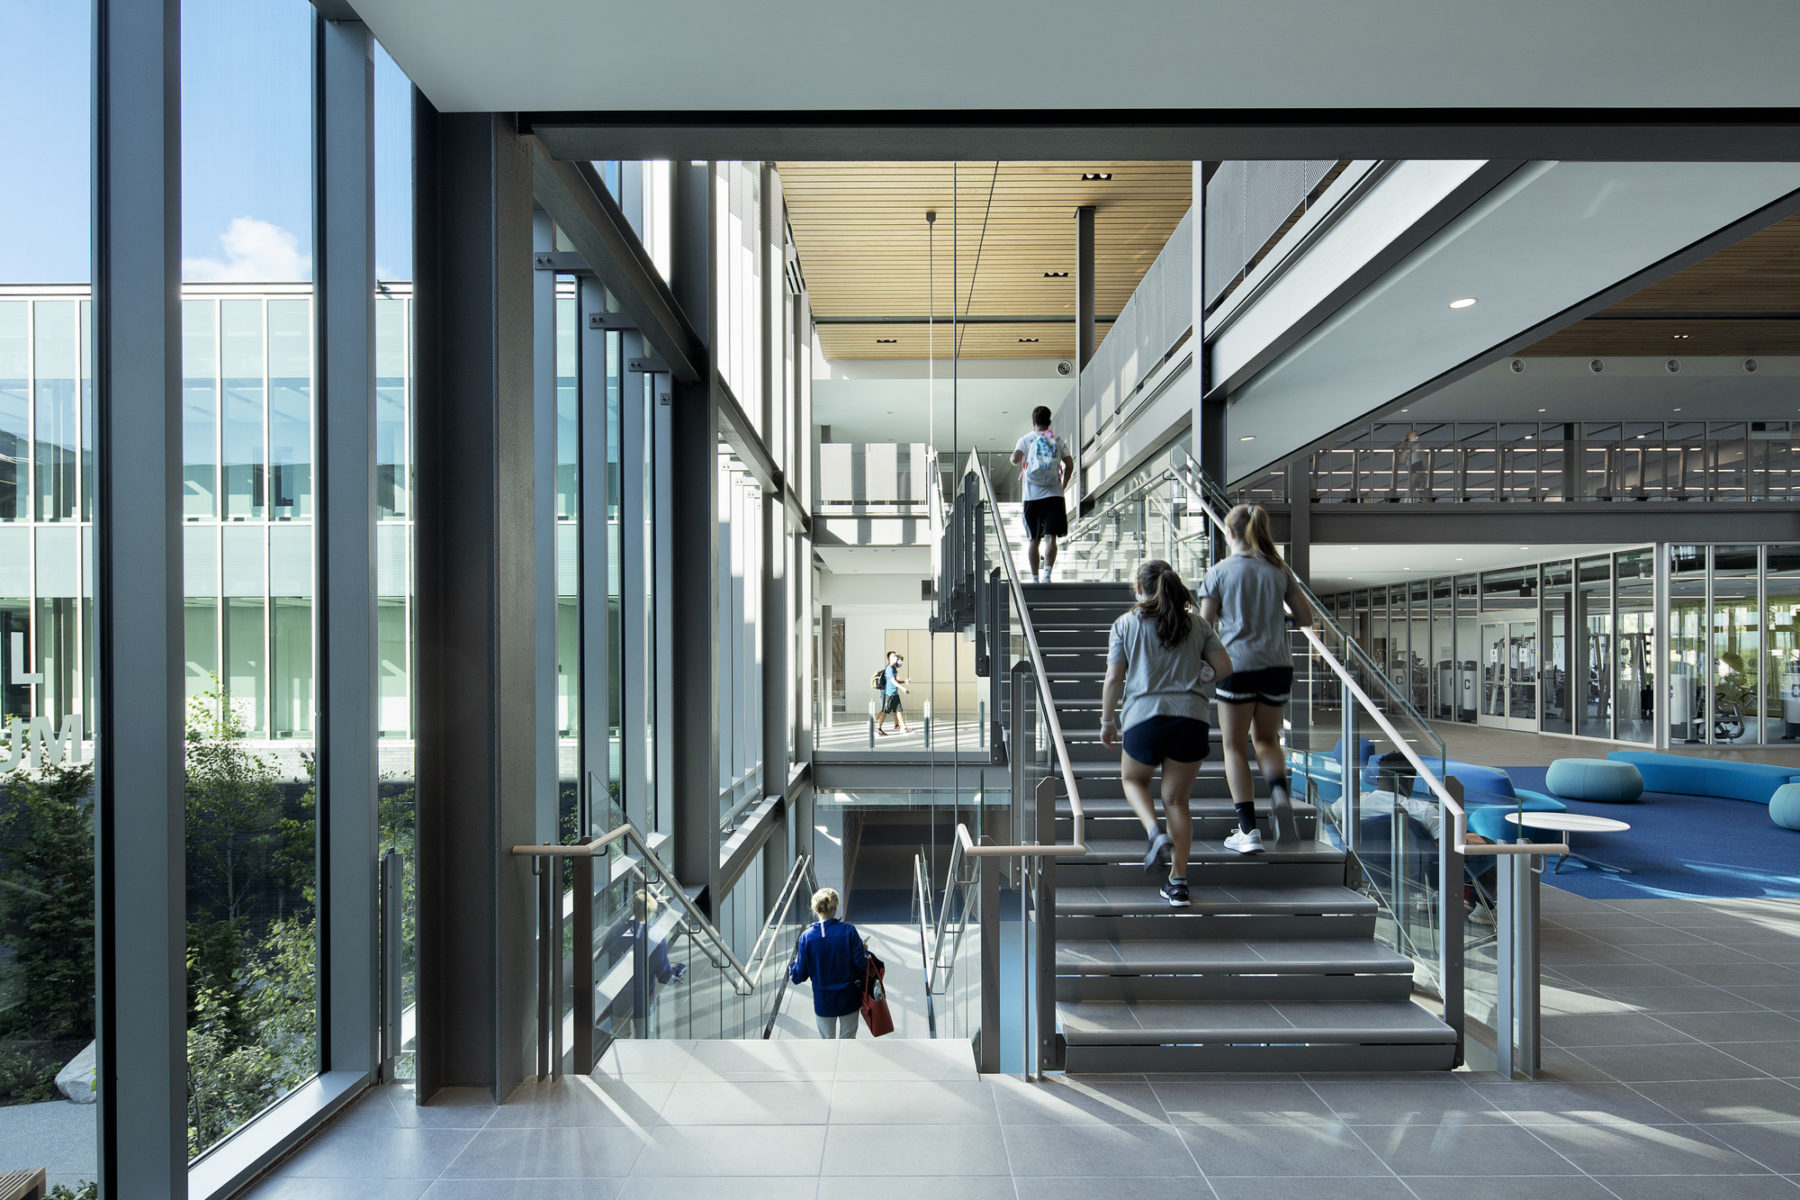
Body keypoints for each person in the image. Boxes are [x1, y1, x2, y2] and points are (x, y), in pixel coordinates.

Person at [1100, 560, 1235, 907]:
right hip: (1190, 719)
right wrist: (1203, 675)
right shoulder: (1198, 624)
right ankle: (1178, 883)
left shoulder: (1125, 624)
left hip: (1144, 719)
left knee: (1133, 781)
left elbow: (1114, 679)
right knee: (1176, 801)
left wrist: (1107, 720)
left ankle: (1154, 832)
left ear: (1139, 589)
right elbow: (1224, 668)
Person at [1200, 503, 1314, 852]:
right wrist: (1278, 624)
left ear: (1230, 533)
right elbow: (1306, 617)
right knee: (1267, 739)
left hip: (1236, 666)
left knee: (1235, 746)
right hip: (1278, 666)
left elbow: (1204, 629)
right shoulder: (1279, 570)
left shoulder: (1219, 572)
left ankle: (1248, 831)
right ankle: (1280, 794)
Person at [789, 887, 870, 1038]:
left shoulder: (806, 937)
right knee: (848, 1040)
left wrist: (791, 966)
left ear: (816, 909)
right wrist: (863, 950)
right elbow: (862, 965)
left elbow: (799, 976)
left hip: (823, 1001)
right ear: (835, 907)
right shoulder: (848, 930)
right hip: (849, 998)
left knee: (827, 1042)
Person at [1011, 405, 1074, 583]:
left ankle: (1034, 578)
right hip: (1054, 495)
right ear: (1049, 422)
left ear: (1033, 422)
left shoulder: (1026, 440)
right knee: (1051, 537)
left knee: (1033, 539)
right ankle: (1047, 574)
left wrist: (1017, 458)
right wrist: (1064, 484)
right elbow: (1069, 464)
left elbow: (1015, 460)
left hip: (1032, 497)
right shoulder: (1058, 440)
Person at [875, 651, 910, 736]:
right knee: (884, 712)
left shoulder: (894, 669)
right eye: (894, 656)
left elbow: (896, 680)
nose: (896, 657)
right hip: (888, 694)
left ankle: (904, 727)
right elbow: (893, 681)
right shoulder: (889, 669)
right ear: (889, 659)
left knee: (899, 711)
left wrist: (904, 682)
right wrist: (903, 689)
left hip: (895, 694)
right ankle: (878, 728)